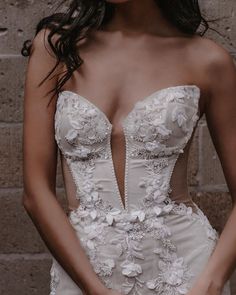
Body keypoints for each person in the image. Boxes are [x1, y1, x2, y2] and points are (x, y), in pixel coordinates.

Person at [21, 1, 236, 294]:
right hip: (84, 272)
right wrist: (93, 288)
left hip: (185, 273)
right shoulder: (56, 47)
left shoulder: (208, 60)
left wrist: (211, 282)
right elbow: (36, 193)